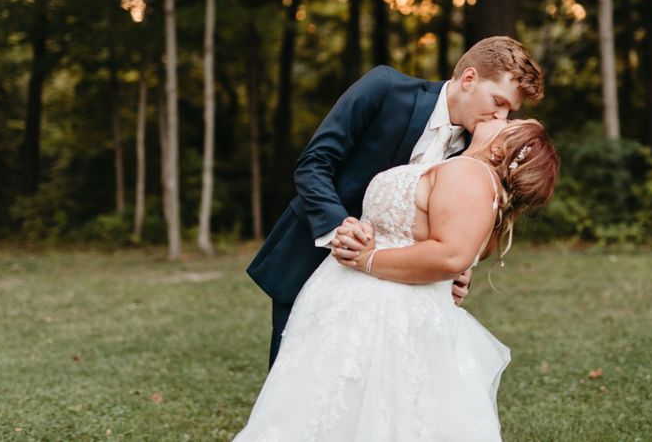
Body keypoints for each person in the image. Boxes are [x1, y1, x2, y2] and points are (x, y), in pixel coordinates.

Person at [234, 118, 559, 441]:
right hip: (358, 305)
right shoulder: (467, 172)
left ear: (502, 148)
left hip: (384, 312)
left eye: (511, 121)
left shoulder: (470, 175)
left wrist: (368, 259)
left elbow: (450, 256)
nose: (500, 116)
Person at [246, 36, 544, 367]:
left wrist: (457, 270)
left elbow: (452, 227)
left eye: (509, 111)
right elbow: (314, 163)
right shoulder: (385, 89)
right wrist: (338, 228)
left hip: (394, 294)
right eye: (498, 102)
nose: (501, 118)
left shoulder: (477, 153)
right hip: (312, 257)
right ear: (469, 79)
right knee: (295, 377)